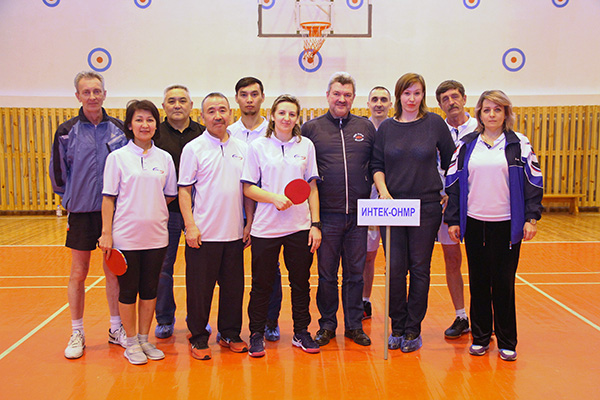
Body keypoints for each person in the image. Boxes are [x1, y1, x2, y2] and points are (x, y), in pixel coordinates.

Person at [445, 90, 543, 361]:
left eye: (497, 110)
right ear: (479, 114)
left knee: (503, 283)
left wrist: (531, 218)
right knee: (478, 282)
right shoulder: (466, 144)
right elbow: (453, 183)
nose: (491, 115)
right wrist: (453, 220)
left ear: (506, 113)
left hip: (507, 225)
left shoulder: (519, 144)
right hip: (475, 223)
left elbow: (533, 182)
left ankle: (507, 341)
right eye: (487, 110)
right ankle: (480, 337)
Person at [372, 73, 455, 353]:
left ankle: (413, 329)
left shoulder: (434, 124)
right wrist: (384, 192)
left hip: (426, 207)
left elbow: (453, 161)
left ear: (423, 95)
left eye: (417, 93)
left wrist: (448, 190)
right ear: (399, 96)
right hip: (393, 207)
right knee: (395, 269)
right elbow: (377, 164)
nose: (411, 98)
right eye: (407, 93)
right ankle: (397, 326)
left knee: (420, 269)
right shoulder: (386, 128)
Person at [50, 71, 128, 359]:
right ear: (78, 96)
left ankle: (116, 328)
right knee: (78, 273)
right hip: (82, 213)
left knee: (114, 272)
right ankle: (77, 331)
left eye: (97, 91)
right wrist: (73, 197)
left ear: (105, 94)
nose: (93, 97)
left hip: (114, 212)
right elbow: (58, 174)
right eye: (87, 92)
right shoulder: (66, 131)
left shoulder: (119, 129)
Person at [98, 100, 177, 365]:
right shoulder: (117, 158)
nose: (145, 125)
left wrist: (150, 209)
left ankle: (144, 338)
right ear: (130, 125)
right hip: (126, 237)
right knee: (128, 290)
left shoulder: (165, 158)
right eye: (139, 120)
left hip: (157, 236)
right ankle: (130, 342)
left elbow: (169, 194)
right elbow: (108, 198)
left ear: (156, 124)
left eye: (150, 120)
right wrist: (107, 233)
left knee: (150, 289)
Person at [243, 94, 322, 357]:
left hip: (299, 227)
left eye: (292, 114)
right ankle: (256, 333)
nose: (287, 118)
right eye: (282, 113)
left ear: (297, 118)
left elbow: (311, 187)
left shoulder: (306, 145)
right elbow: (248, 188)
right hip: (266, 227)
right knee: (261, 284)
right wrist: (273, 198)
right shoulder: (258, 146)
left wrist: (315, 224)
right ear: (273, 115)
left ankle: (301, 332)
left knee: (300, 283)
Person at [302, 72, 376, 347]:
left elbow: (377, 166)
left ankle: (354, 325)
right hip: (327, 216)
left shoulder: (366, 127)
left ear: (353, 98)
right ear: (327, 96)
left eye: (347, 95)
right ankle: (327, 325)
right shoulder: (311, 129)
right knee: (327, 275)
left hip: (358, 215)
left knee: (355, 274)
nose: (341, 99)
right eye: (337, 94)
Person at [178, 92, 253, 360]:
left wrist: (249, 222)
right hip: (203, 234)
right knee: (199, 291)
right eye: (211, 111)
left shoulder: (243, 148)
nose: (218, 116)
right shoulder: (193, 149)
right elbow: (184, 191)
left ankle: (230, 333)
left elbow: (247, 189)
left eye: (222, 110)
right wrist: (190, 226)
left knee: (233, 289)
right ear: (202, 117)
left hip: (233, 234)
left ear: (231, 113)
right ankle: (198, 337)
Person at [228, 77, 282, 342]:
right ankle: (230, 325)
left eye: (254, 94)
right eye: (243, 94)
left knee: (270, 270)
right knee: (230, 271)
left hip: (267, 212)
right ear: (236, 98)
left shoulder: (275, 133)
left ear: (262, 97)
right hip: (230, 211)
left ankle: (270, 321)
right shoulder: (228, 132)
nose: (249, 99)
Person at [153, 85, 206, 339]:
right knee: (163, 268)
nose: (177, 105)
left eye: (182, 100)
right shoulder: (155, 135)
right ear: (164, 106)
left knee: (200, 269)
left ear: (191, 106)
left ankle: (198, 319)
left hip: (200, 212)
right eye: (171, 101)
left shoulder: (204, 134)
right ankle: (164, 318)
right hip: (167, 213)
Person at [434, 80, 479, 339]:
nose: (451, 102)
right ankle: (461, 315)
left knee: (480, 262)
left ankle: (484, 316)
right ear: (440, 105)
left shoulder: (480, 127)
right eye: (445, 99)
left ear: (464, 98)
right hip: (446, 206)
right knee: (452, 259)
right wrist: (441, 194)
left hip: (477, 205)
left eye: (454, 96)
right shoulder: (436, 130)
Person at [362, 86, 392, 320]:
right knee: (368, 255)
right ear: (368, 104)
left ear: (390, 104)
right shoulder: (361, 129)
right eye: (375, 99)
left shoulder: (397, 128)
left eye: (383, 99)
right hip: (369, 200)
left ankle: (396, 303)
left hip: (395, 200)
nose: (379, 103)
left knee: (395, 256)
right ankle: (365, 300)